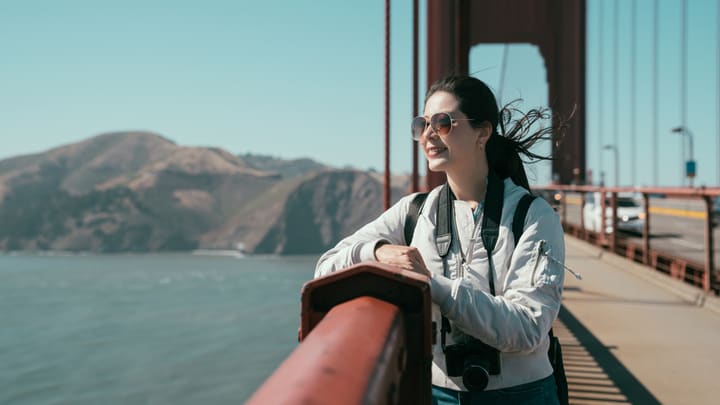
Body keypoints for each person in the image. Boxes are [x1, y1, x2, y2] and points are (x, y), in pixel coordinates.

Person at [315, 74, 567, 405]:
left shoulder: (533, 216)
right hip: (438, 395)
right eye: (422, 125)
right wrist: (376, 252)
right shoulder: (415, 212)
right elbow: (324, 269)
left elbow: (528, 328)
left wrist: (434, 286)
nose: (428, 135)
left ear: (483, 132)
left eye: (443, 122)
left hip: (522, 395)